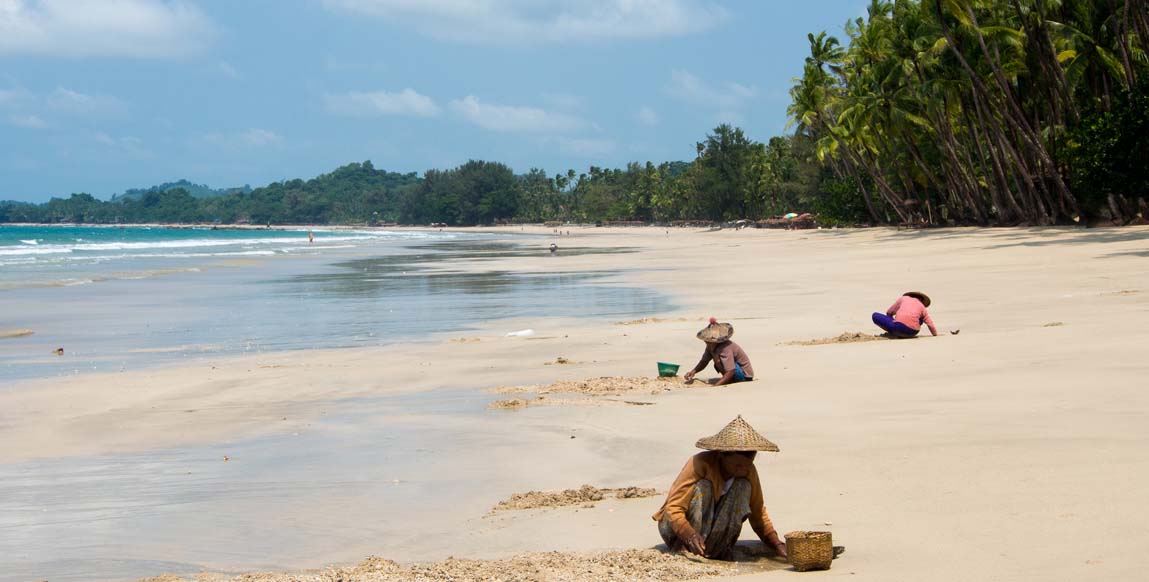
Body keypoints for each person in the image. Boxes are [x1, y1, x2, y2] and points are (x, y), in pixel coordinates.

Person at [653, 415, 787, 560]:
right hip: (676, 530)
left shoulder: (748, 471)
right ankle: (685, 548)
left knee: (743, 487)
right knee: (704, 487)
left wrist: (776, 544)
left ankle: (717, 548)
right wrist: (689, 535)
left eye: (747, 464)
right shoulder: (699, 463)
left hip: (713, 530)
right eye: (737, 465)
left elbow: (758, 512)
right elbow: (673, 509)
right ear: (722, 456)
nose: (743, 469)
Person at [683, 318, 754, 385]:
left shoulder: (725, 348)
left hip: (744, 375)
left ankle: (730, 380)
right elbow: (704, 361)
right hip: (733, 372)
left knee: (718, 360)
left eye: (708, 341)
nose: (705, 342)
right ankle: (728, 379)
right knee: (717, 360)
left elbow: (731, 370)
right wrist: (693, 371)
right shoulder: (710, 346)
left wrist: (716, 385)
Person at [872, 291, 937, 338]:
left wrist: (892, 321)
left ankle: (893, 332)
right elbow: (930, 323)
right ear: (921, 300)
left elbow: (889, 312)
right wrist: (935, 334)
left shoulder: (904, 298)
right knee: (921, 318)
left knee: (875, 315)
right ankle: (897, 329)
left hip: (898, 328)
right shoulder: (922, 307)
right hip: (913, 332)